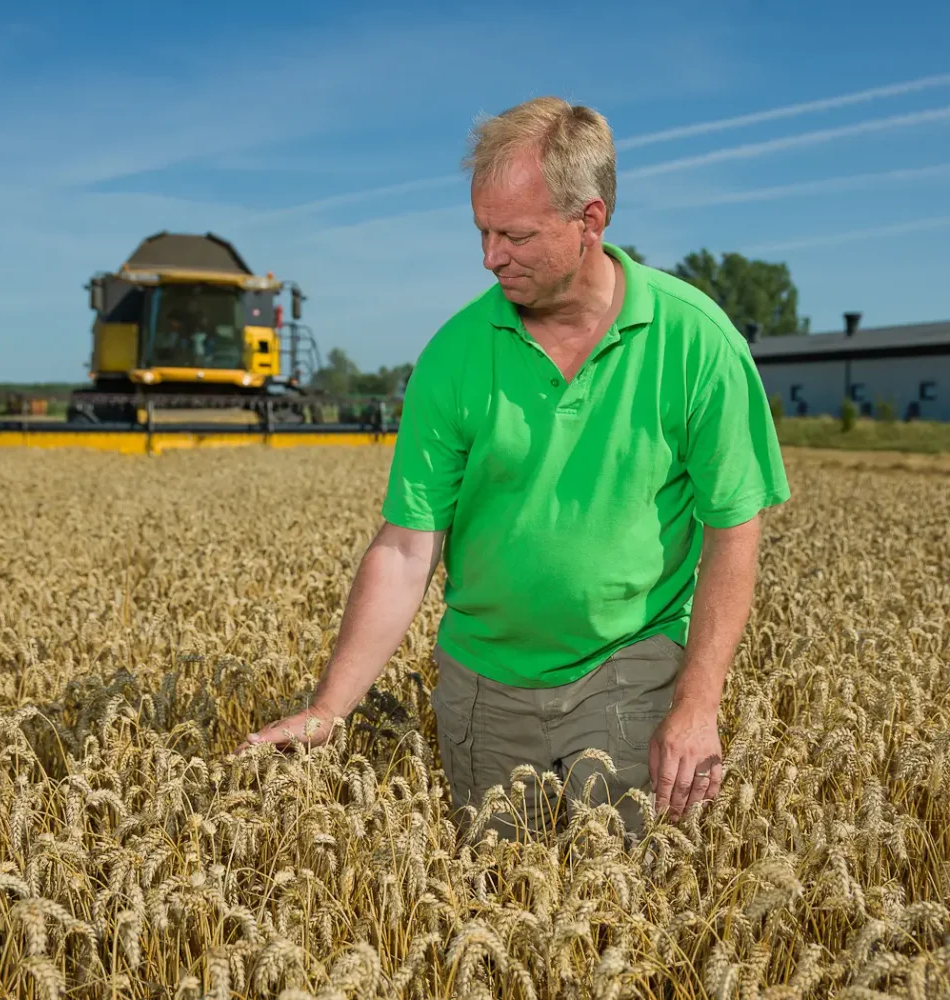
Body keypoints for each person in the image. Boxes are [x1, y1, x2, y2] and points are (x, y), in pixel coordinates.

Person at [236, 97, 791, 844]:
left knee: (624, 908)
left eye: (516, 235)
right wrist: (330, 706)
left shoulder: (695, 342)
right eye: (483, 231)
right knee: (494, 902)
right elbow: (406, 548)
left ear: (590, 221)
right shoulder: (455, 354)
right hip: (483, 686)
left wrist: (697, 704)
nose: (490, 257)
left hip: (628, 667)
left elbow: (733, 529)